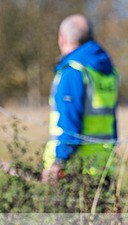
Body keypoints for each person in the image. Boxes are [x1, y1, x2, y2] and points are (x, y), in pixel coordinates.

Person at [42, 14, 118, 184]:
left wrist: (58, 162)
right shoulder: (107, 72)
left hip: (73, 170)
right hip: (102, 166)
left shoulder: (73, 72)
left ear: (62, 39)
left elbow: (70, 125)